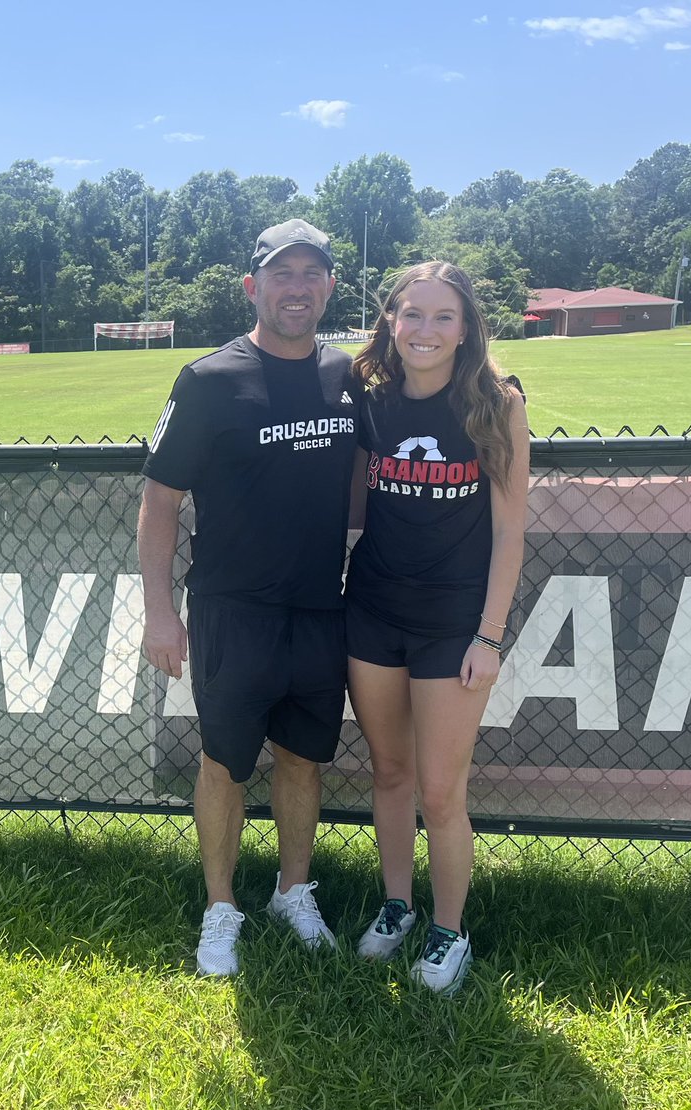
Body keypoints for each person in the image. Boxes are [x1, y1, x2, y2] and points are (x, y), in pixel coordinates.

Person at [138, 220, 360, 977]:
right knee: (225, 763)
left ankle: (293, 892)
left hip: (319, 609)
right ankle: (220, 907)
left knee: (302, 761)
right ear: (252, 286)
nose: (296, 287)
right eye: (281, 274)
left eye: (311, 274)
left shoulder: (347, 376)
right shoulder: (208, 380)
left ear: (329, 286)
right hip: (232, 610)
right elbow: (160, 501)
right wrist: (159, 612)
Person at [344, 261, 529, 995]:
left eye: (442, 316)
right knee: (388, 772)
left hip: (452, 624)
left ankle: (448, 931)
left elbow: (510, 531)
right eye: (411, 314)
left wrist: (488, 636)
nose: (425, 330)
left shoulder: (494, 402)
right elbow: (352, 504)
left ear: (465, 327)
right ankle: (397, 905)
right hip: (373, 611)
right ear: (390, 320)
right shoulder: (371, 399)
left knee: (441, 790)